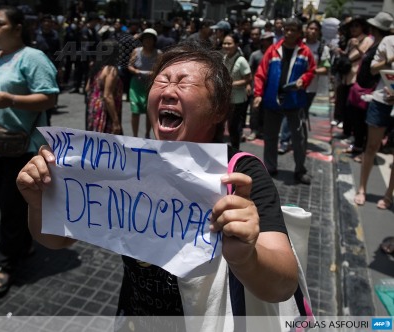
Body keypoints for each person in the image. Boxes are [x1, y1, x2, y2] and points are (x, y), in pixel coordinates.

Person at [16, 41, 298, 324]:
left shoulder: (241, 175)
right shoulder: (126, 164)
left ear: (219, 109)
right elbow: (57, 240)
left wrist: (246, 258)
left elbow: (284, 285)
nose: (167, 90)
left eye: (183, 83)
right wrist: (40, 203)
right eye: (161, 80)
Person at [0, 6, 59, 295]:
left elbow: (49, 97)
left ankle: (5, 263)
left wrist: (12, 100)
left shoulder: (33, 58)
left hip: (21, 147)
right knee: (8, 202)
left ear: (17, 27)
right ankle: (23, 242)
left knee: (10, 205)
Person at [253, 18, 316, 185]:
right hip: (272, 101)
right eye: (287, 29)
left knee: (299, 138)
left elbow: (311, 71)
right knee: (271, 136)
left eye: (293, 30)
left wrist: (304, 79)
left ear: (298, 33)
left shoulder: (305, 52)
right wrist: (258, 94)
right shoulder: (273, 50)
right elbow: (261, 73)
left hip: (295, 101)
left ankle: (300, 170)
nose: (289, 32)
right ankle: (270, 167)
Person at [354, 30, 394, 209]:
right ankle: (362, 188)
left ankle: (388, 195)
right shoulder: (388, 41)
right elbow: (372, 68)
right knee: (371, 146)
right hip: (381, 100)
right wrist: (389, 60)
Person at [278, 19, 331, 154]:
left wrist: (309, 72)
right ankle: (285, 140)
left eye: (315, 29)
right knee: (289, 111)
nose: (312, 31)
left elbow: (325, 68)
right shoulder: (297, 45)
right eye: (310, 28)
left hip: (309, 88)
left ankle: (298, 141)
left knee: (300, 113)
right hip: (292, 86)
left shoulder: (322, 49)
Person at [127, 28, 161, 138]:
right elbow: (129, 65)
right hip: (136, 84)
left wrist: (154, 73)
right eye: (145, 39)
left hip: (150, 85)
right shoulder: (136, 51)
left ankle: (147, 134)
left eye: (150, 39)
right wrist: (136, 71)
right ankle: (135, 135)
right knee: (135, 111)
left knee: (149, 111)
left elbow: (161, 68)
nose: (148, 41)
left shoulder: (158, 53)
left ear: (154, 40)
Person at [85, 39, 123, 134]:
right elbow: (107, 96)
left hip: (94, 109)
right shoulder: (111, 70)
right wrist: (116, 121)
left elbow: (87, 88)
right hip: (105, 112)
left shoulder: (96, 66)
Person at [222, 34, 252, 150]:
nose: (226, 46)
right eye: (224, 43)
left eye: (229, 43)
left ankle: (236, 150)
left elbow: (249, 79)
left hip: (238, 99)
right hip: (226, 98)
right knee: (224, 126)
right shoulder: (224, 58)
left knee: (234, 127)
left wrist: (232, 84)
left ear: (236, 45)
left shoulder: (241, 60)